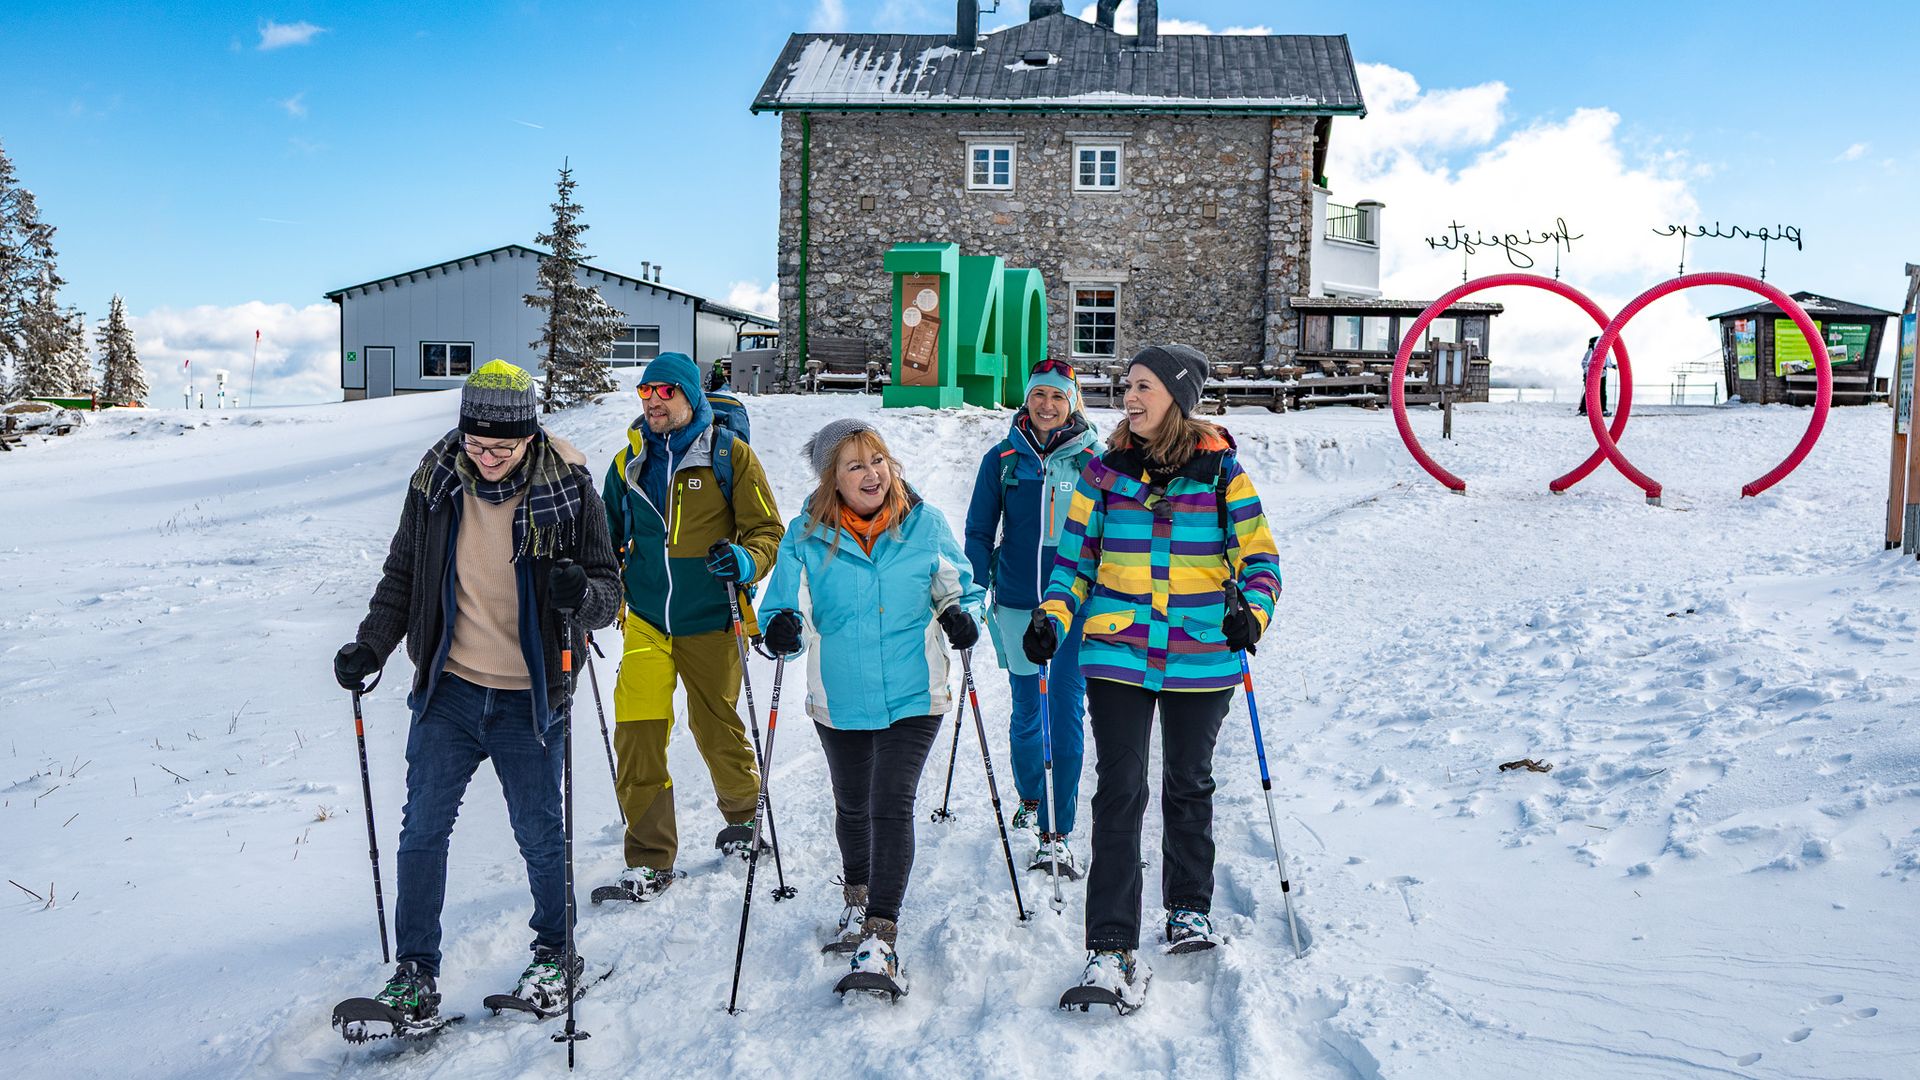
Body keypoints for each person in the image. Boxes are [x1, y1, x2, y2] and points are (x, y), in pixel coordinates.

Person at [331, 360, 621, 1028]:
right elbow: (403, 575)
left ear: (528, 435)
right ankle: (415, 975)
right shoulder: (436, 484)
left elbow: (609, 593)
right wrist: (371, 645)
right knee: (422, 831)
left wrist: (582, 595)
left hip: (530, 694)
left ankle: (557, 951)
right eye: (475, 444)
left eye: (502, 447)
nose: (486, 458)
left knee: (539, 833)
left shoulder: (569, 489)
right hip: (451, 689)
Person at [1025, 344, 1282, 1013]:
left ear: (1176, 395)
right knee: (1120, 788)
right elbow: (1072, 566)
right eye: (1125, 385)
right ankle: (1109, 943)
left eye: (1142, 386)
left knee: (1188, 782)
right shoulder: (1103, 474)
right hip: (1119, 652)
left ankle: (1187, 910)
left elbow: (1260, 558)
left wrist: (1252, 613)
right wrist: (1053, 615)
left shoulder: (1222, 472)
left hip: (1202, 654)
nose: (1128, 397)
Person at [760, 418, 987, 996]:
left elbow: (961, 589)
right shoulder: (805, 534)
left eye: (877, 460)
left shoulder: (924, 523)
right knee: (852, 805)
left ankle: (881, 934)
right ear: (832, 479)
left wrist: (964, 616)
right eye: (854, 465)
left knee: (891, 801)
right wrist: (782, 626)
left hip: (916, 691)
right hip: (841, 696)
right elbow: (782, 606)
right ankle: (856, 903)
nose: (871, 474)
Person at [598, 352, 783, 902]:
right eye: (644, 393)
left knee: (715, 726)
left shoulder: (730, 456)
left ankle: (746, 822)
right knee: (638, 735)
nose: (653, 402)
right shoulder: (627, 463)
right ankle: (651, 858)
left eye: (664, 393)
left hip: (712, 619)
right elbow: (603, 542)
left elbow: (766, 530)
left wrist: (746, 562)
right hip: (649, 621)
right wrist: (588, 589)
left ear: (688, 396)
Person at [963, 359, 1100, 877]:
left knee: (1064, 712)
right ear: (1027, 399)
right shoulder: (1001, 459)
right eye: (1039, 395)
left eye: (1058, 397)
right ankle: (1030, 797)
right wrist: (974, 594)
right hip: (1018, 603)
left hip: (1075, 608)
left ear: (1073, 403)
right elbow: (979, 531)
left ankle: (1057, 829)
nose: (1047, 405)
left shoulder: (1094, 459)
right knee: (1026, 713)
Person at [1576, 336, 1615, 417]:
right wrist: (1589, 372)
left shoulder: (1605, 352)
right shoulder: (1591, 351)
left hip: (1602, 374)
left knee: (1602, 392)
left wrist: (1613, 366)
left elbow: (1608, 363)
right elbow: (1584, 363)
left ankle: (1603, 409)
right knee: (1590, 392)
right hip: (1591, 374)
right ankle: (1583, 409)